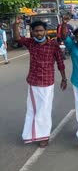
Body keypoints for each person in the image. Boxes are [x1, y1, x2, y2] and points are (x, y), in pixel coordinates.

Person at [13, 20, 67, 148]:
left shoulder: (53, 45)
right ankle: (30, 134)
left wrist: (64, 79)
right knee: (32, 109)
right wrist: (16, 25)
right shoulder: (31, 43)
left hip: (47, 83)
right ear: (32, 32)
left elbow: (60, 63)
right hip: (33, 82)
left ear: (45, 31)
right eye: (36, 31)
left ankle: (43, 136)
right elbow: (17, 38)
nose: (39, 33)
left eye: (41, 30)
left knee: (44, 110)